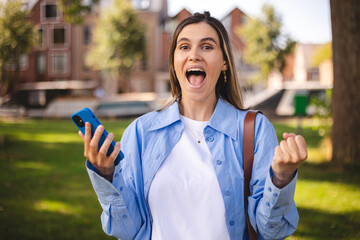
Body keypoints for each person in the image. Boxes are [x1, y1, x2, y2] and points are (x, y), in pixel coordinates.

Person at [79, 12, 307, 240]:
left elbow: (270, 231)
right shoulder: (141, 132)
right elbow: (125, 230)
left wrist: (281, 177)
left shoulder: (255, 130)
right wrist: (106, 175)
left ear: (225, 62)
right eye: (184, 47)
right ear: (174, 61)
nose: (194, 55)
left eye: (207, 47)